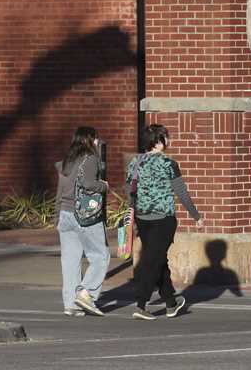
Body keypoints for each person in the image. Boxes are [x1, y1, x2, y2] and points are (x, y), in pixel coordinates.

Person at [126, 123, 204, 320]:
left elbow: (131, 191)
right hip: (164, 220)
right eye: (166, 137)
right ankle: (141, 304)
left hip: (143, 218)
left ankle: (170, 302)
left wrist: (132, 216)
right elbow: (181, 192)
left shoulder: (135, 163)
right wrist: (196, 215)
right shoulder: (169, 164)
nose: (169, 140)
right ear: (159, 142)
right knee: (153, 261)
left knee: (158, 259)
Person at [55, 125, 110, 317]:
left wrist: (57, 216)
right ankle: (87, 293)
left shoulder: (67, 161)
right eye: (95, 138)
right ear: (90, 140)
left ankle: (71, 304)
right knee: (100, 256)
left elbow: (60, 190)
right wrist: (103, 186)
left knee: (70, 261)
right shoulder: (91, 159)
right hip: (85, 215)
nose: (97, 142)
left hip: (65, 214)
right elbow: (88, 184)